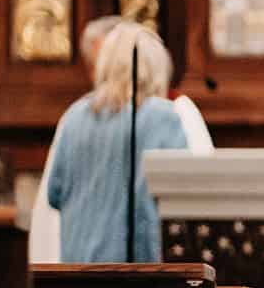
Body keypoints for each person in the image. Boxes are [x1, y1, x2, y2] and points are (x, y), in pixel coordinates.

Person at [42, 19, 189, 265]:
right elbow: (180, 198)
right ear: (156, 69)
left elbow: (54, 193)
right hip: (131, 278)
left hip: (73, 274)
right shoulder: (161, 117)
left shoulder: (74, 116)